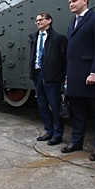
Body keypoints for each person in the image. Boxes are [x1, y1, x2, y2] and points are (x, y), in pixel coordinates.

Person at [62, 0, 95, 160]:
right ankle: (77, 141)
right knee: (77, 111)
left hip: (90, 74)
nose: (71, 4)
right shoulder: (72, 23)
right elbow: (71, 52)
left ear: (85, 0)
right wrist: (68, 75)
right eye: (70, 2)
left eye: (74, 1)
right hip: (75, 75)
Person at [29, 13, 67, 146]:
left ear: (49, 20)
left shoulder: (58, 38)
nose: (38, 22)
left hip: (52, 76)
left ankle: (58, 134)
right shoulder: (34, 37)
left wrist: (64, 76)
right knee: (42, 105)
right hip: (38, 74)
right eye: (36, 20)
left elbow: (63, 59)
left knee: (55, 105)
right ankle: (49, 130)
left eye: (40, 20)